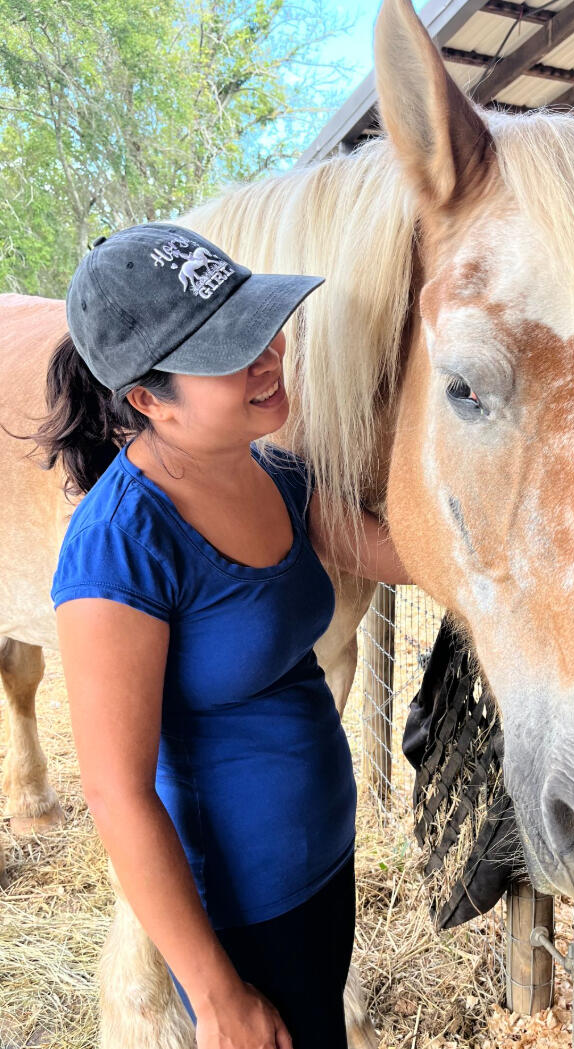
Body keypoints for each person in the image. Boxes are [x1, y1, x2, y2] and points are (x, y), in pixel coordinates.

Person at [41, 222, 411, 1049]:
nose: (268, 355)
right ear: (148, 399)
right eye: (227, 350)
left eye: (259, 326)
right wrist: (215, 997)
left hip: (324, 857)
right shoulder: (119, 546)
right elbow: (116, 792)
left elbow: (396, 554)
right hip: (241, 905)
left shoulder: (278, 474)